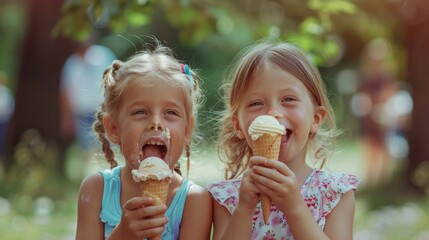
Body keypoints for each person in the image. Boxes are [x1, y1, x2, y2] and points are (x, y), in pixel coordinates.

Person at [207, 41, 360, 240]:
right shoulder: (228, 197)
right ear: (238, 126)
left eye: (288, 99)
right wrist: (243, 210)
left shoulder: (335, 194)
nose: (273, 113)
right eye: (256, 103)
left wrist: (295, 208)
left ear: (315, 119)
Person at [75, 42, 212, 240]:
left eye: (170, 113)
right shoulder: (95, 190)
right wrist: (122, 236)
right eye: (140, 112)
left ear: (187, 130)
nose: (156, 123)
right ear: (113, 128)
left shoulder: (194, 201)